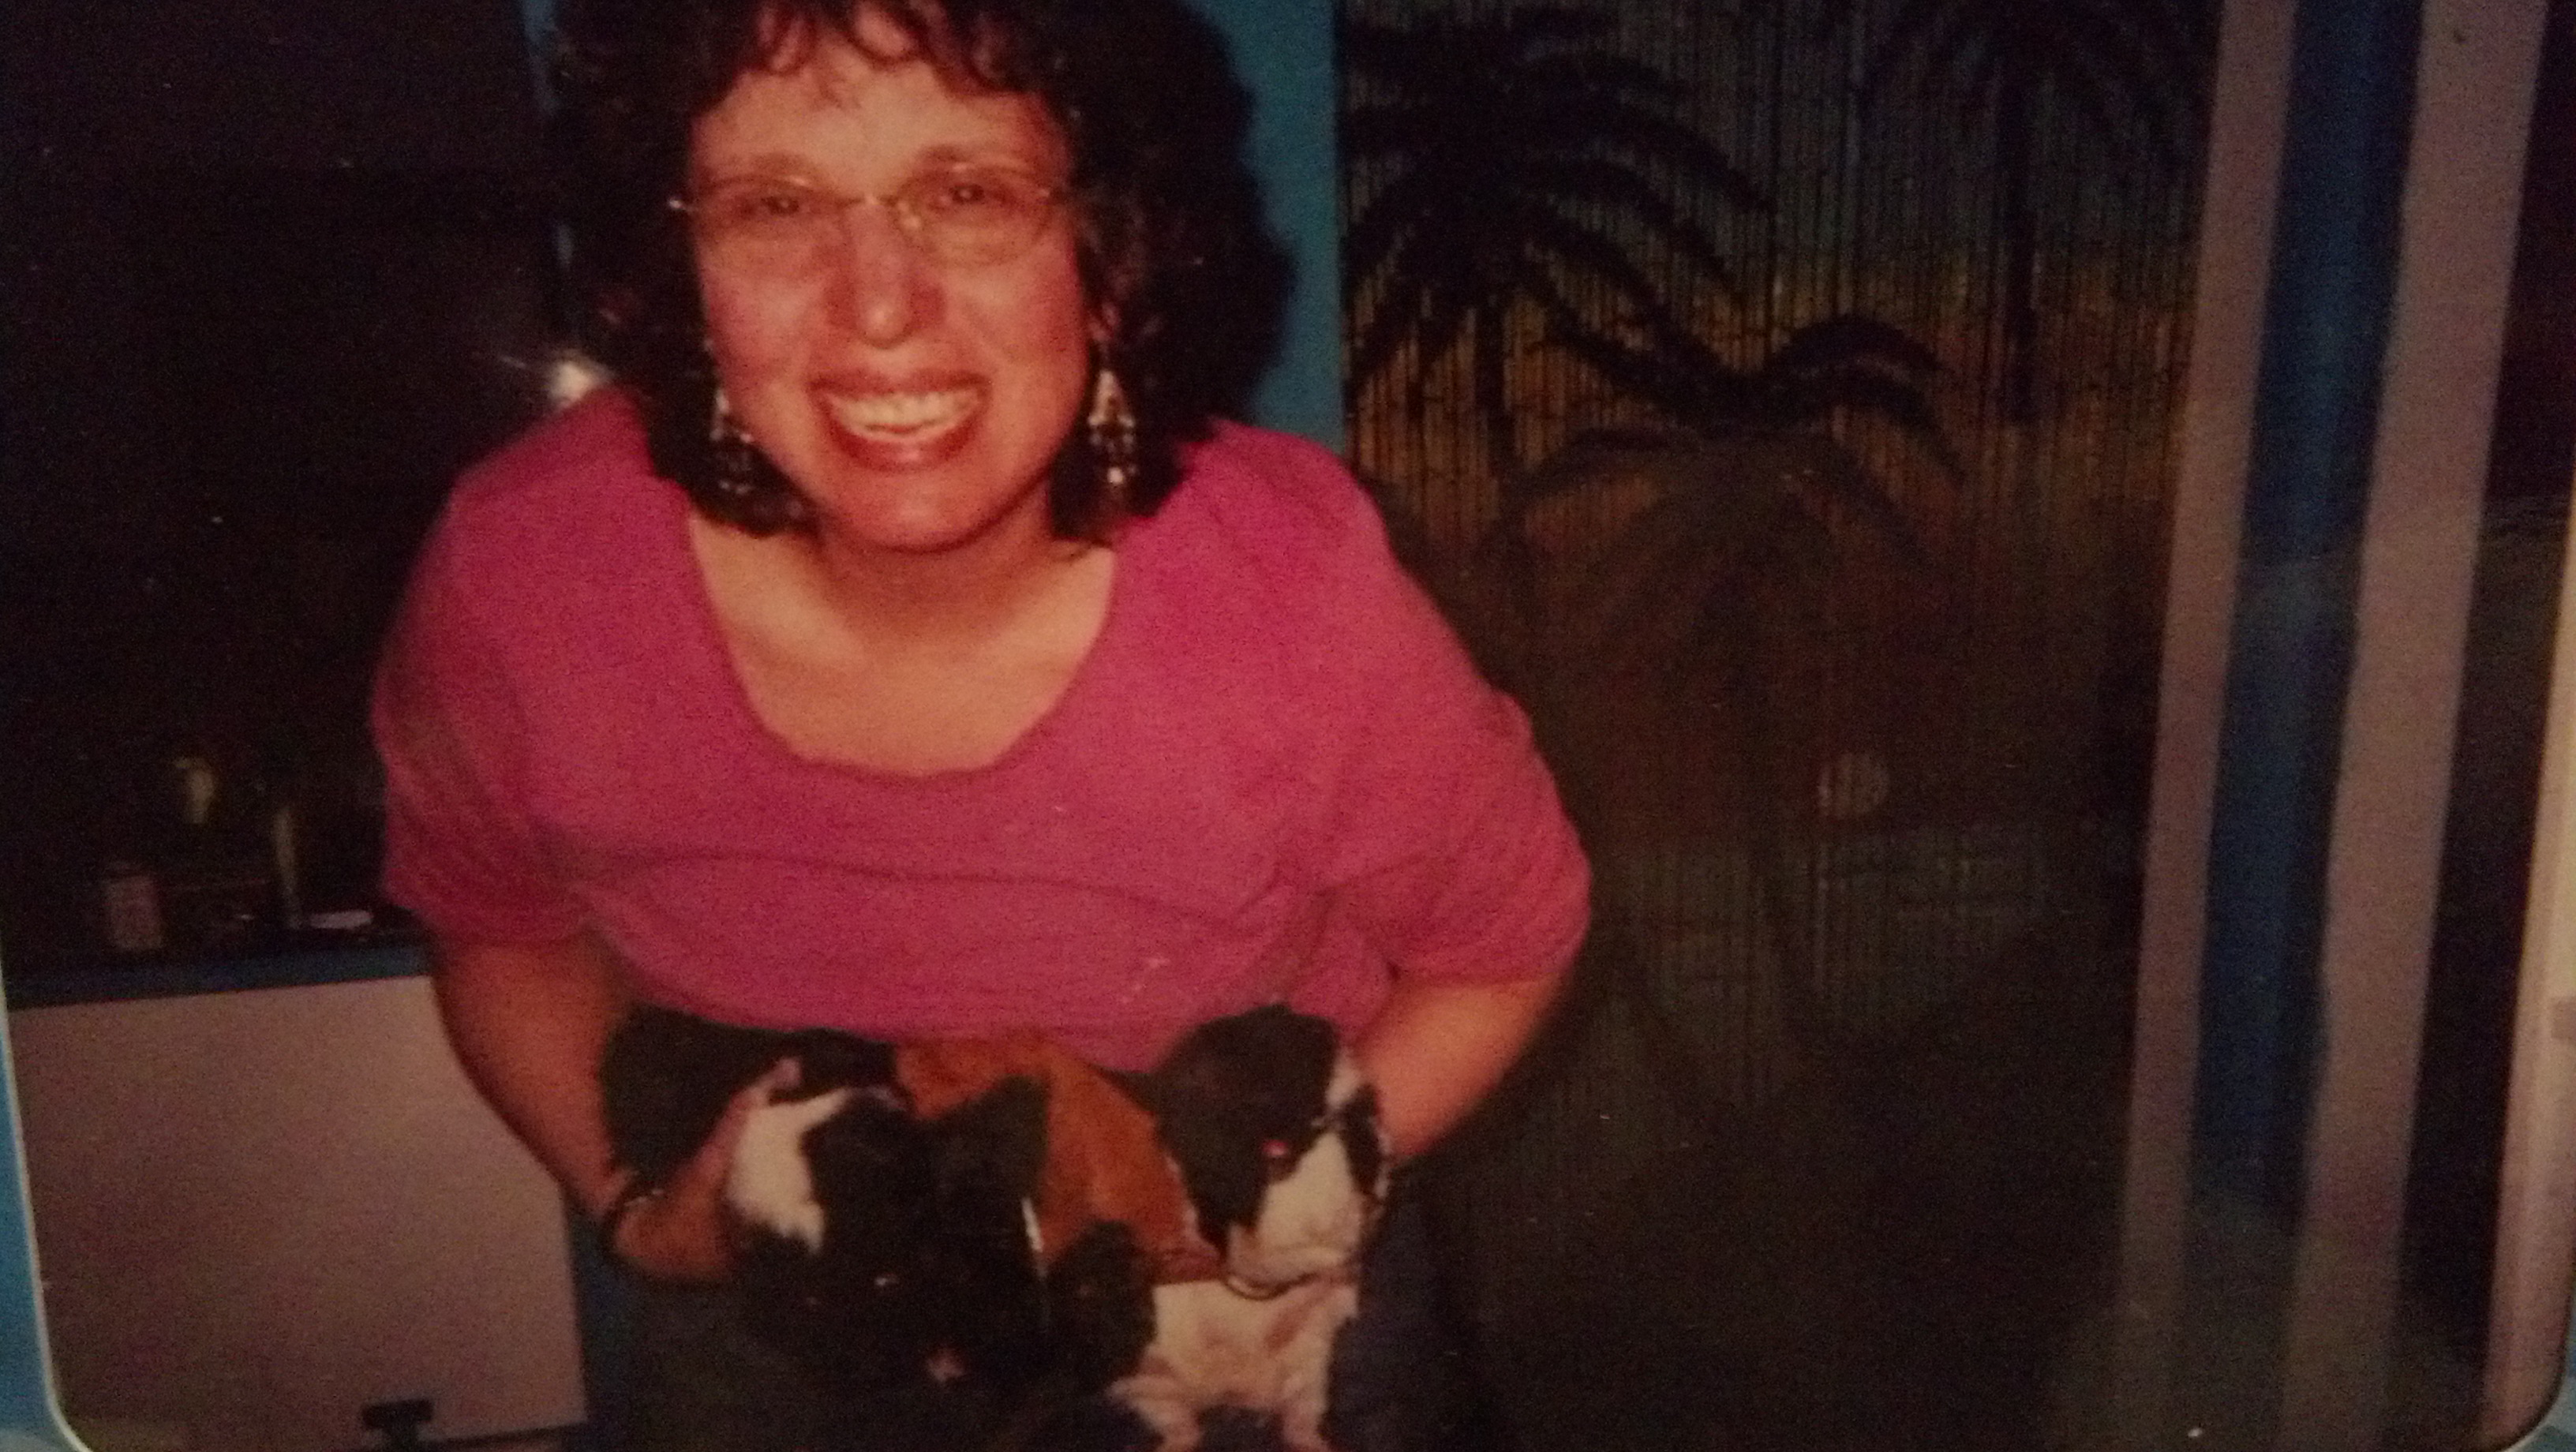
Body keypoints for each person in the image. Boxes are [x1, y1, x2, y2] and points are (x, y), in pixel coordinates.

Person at [369, 0, 1590, 1444]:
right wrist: (642, 1216)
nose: (879, 306)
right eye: (775, 205)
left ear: (1108, 259)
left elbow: (1501, 945)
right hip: (794, 1294)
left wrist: (1236, 1214)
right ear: (680, 269)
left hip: (1245, 1316)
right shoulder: (524, 571)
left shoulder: (1293, 583)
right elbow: (497, 923)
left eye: (968, 195)